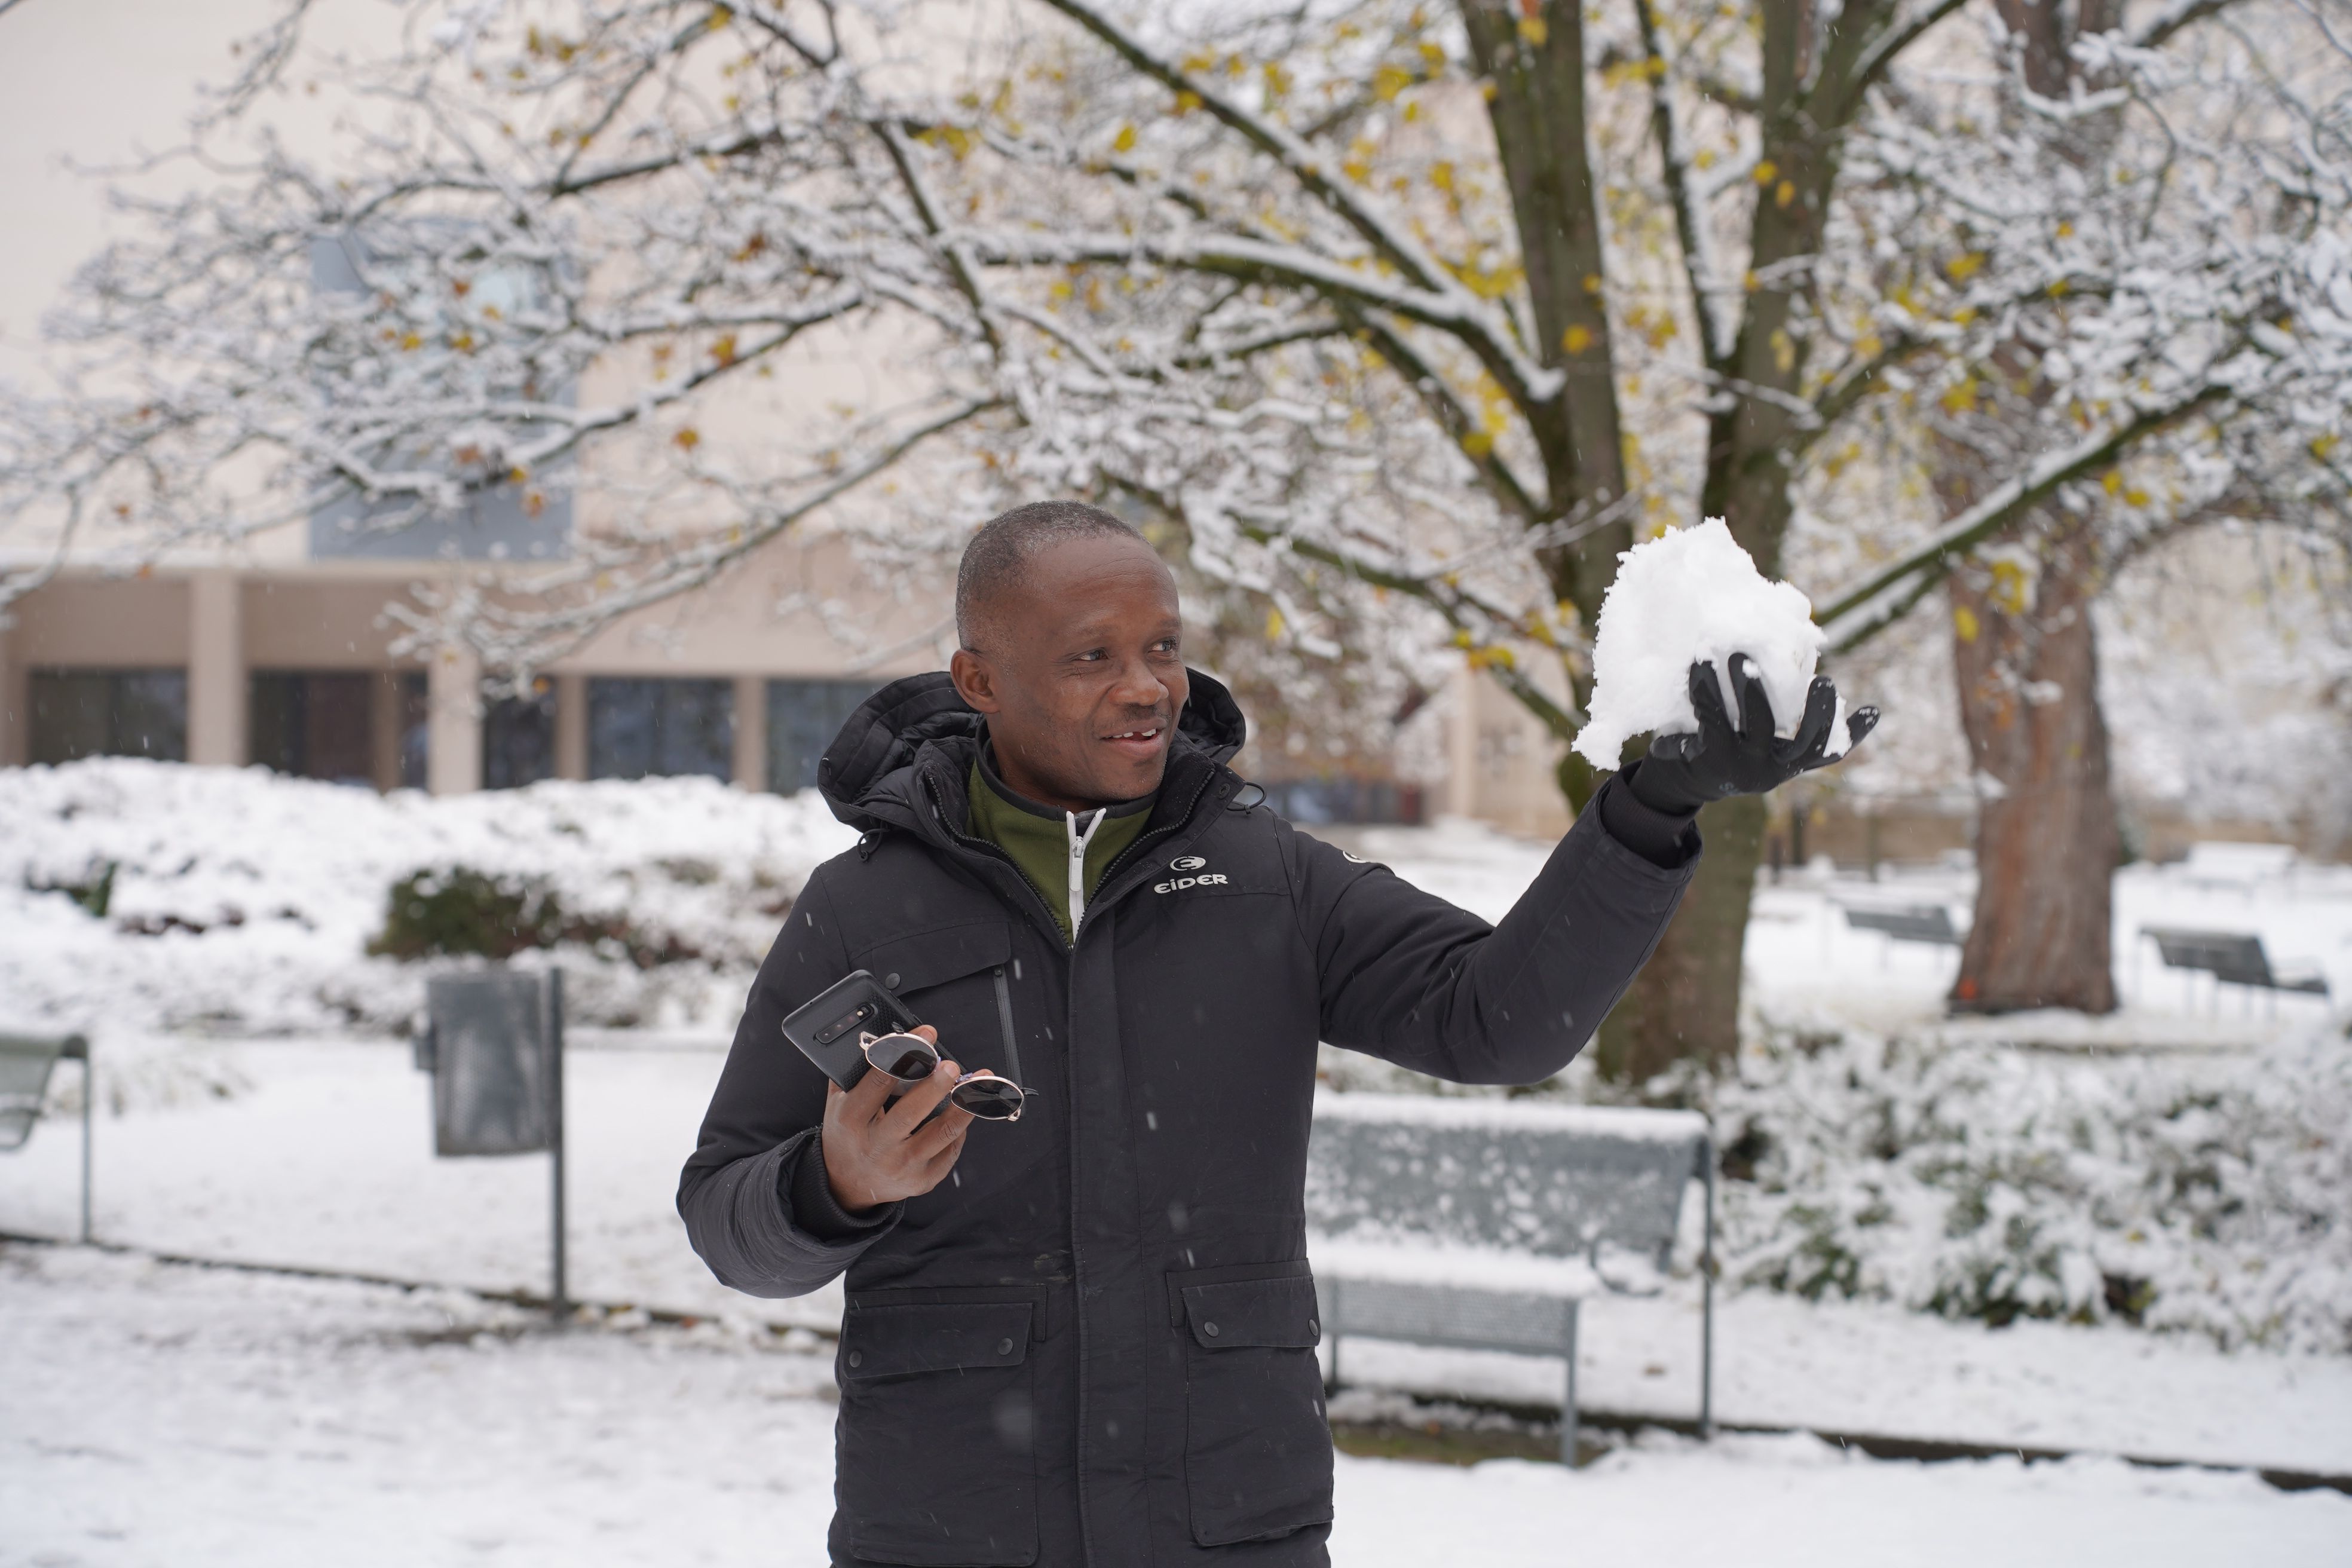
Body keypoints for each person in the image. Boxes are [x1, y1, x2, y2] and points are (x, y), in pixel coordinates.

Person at [679, 501, 1875, 1567]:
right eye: (1092, 656)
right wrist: (836, 1182)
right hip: (949, 1523)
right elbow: (728, 1222)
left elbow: (1496, 1019)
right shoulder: (864, 907)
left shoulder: (1267, 877)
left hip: (1226, 1521)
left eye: (1162, 648)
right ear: (979, 680)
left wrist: (1651, 809)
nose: (1147, 686)